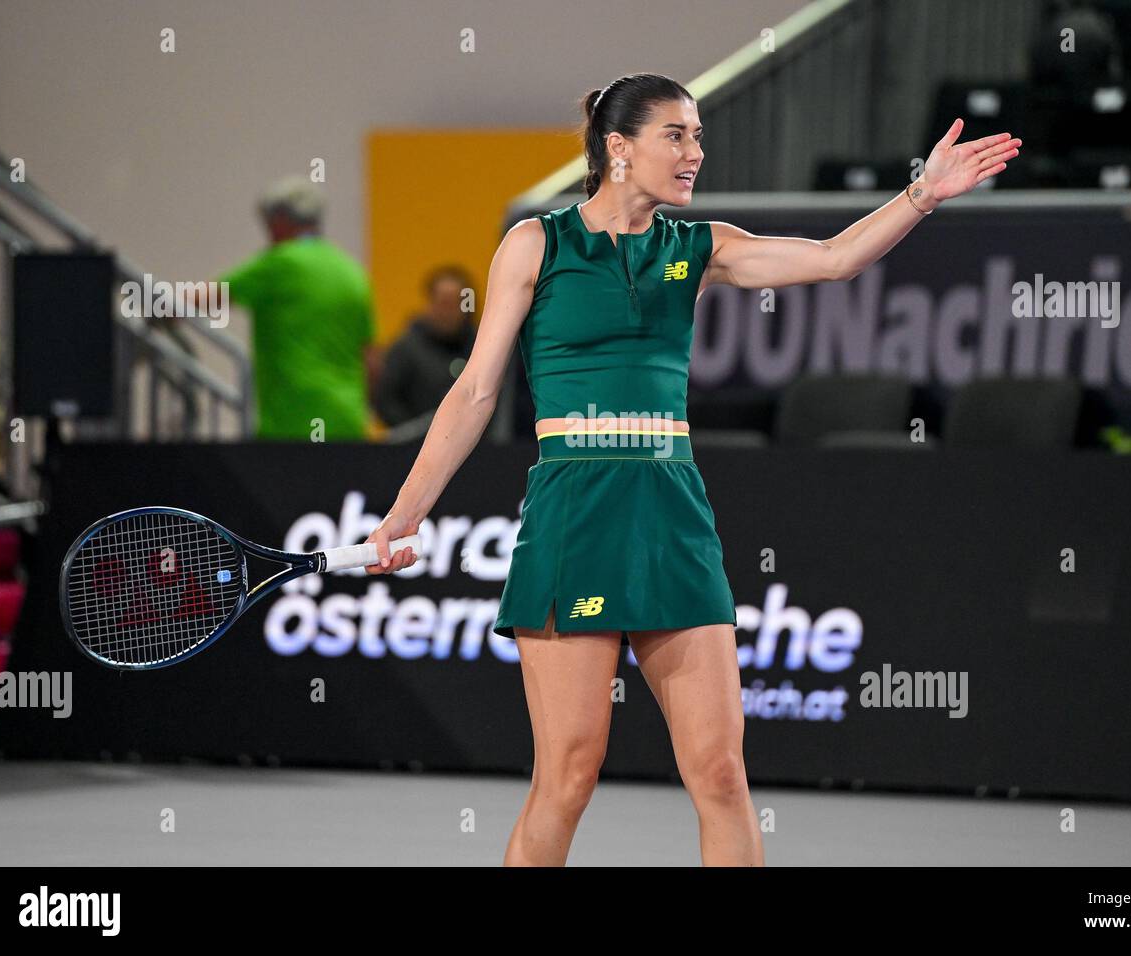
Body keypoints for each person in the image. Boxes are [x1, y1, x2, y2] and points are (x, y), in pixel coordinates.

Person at [364, 73, 1019, 866]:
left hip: (673, 510)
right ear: (618, 148)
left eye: (698, 136)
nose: (695, 153)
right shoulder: (537, 245)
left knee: (719, 771)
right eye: (676, 135)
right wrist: (407, 512)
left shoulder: (699, 246)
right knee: (568, 776)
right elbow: (474, 392)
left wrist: (922, 194)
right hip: (576, 510)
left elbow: (835, 259)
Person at [218, 176, 376, 439]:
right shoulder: (351, 271)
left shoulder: (279, 264)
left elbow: (200, 301)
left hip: (292, 424)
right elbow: (372, 359)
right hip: (347, 422)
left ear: (278, 222)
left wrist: (152, 307)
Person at [370, 265, 478, 429]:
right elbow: (385, 399)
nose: (447, 312)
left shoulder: (480, 349)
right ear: (430, 303)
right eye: (442, 303)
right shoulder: (406, 348)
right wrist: (412, 431)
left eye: (454, 304)